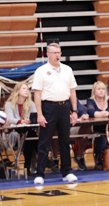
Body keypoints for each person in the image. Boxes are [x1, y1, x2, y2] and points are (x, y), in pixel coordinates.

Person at [32, 43, 78, 185]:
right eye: (54, 53)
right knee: (45, 141)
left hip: (64, 106)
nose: (57, 55)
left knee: (65, 140)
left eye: (59, 52)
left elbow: (72, 91)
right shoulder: (41, 71)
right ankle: (40, 173)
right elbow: (37, 94)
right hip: (48, 107)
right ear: (48, 54)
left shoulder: (67, 70)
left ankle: (67, 171)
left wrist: (74, 111)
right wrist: (39, 114)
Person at [4, 82, 38, 176]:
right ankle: (42, 160)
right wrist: (21, 121)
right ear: (17, 91)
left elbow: (34, 116)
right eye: (24, 88)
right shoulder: (9, 104)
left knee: (30, 135)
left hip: (27, 131)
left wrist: (30, 120)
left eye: (27, 89)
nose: (26, 90)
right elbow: (10, 119)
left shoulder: (31, 103)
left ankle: (28, 166)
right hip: (13, 132)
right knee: (30, 135)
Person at [70, 100, 91, 171]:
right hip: (58, 126)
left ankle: (79, 156)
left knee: (86, 126)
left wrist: (84, 114)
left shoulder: (71, 96)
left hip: (71, 127)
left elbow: (80, 109)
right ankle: (55, 159)